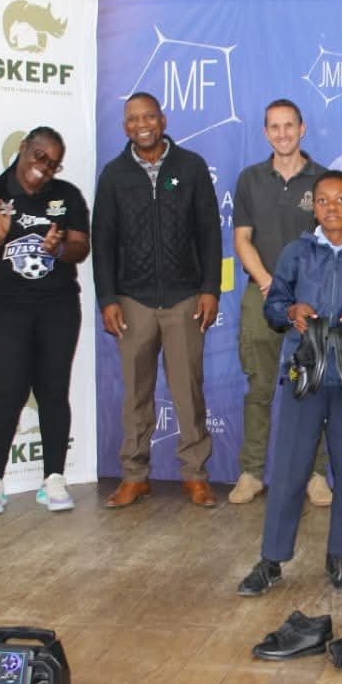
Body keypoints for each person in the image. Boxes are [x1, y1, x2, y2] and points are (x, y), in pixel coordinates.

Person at [237, 171, 342, 596]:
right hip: (305, 373)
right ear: (313, 206)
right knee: (290, 468)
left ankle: (339, 557)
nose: (332, 207)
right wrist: (290, 311)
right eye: (323, 200)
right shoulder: (296, 253)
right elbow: (274, 305)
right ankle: (271, 559)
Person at [92, 92, 222, 509]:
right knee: (135, 394)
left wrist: (210, 289)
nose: (142, 124)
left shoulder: (191, 167)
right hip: (133, 300)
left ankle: (195, 476)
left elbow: (208, 231)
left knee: (188, 391)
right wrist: (108, 298)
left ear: (162, 120)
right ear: (125, 126)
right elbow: (103, 241)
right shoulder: (114, 175)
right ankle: (134, 475)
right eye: (133, 119)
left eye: (149, 116)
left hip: (185, 298)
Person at [0, 127, 91, 515]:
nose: (44, 168)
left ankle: (53, 478)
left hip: (58, 308)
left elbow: (81, 247)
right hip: (7, 309)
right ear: (22, 149)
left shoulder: (67, 195)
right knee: (6, 393)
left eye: (52, 163)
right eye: (39, 156)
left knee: (54, 392)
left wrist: (60, 248)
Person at [229, 99, 335, 508]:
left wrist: (304, 289)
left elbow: (333, 240)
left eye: (289, 125)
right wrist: (270, 283)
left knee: (311, 386)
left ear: (302, 128)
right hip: (262, 297)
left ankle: (315, 474)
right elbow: (242, 239)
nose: (283, 133)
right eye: (274, 127)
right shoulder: (250, 179)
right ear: (265, 133)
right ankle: (253, 471)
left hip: (312, 302)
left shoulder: (324, 179)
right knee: (258, 387)